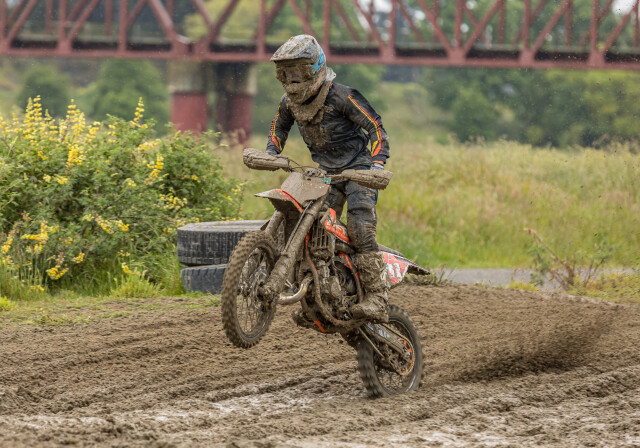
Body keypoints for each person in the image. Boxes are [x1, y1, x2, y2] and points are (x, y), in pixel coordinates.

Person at [265, 34, 391, 323]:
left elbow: (375, 126)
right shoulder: (289, 103)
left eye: (298, 71)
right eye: (286, 72)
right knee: (311, 226)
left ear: (315, 67)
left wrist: (377, 163)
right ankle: (316, 293)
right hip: (325, 174)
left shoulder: (342, 96)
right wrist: (272, 152)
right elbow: (278, 127)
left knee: (360, 228)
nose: (292, 78)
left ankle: (377, 298)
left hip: (359, 170)